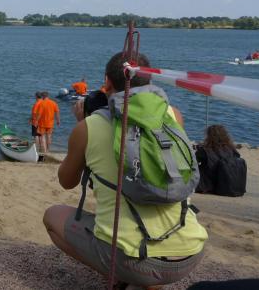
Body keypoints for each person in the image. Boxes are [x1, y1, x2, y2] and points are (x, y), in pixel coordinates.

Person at [43, 52, 207, 288]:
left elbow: (66, 181)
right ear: (150, 80)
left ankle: (126, 276)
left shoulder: (88, 127)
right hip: (190, 252)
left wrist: (82, 125)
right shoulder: (173, 115)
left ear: (107, 82)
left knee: (52, 216)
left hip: (136, 261)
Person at [195, 124, 246, 196]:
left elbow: (193, 162)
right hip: (227, 184)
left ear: (209, 136)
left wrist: (199, 149)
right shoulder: (232, 149)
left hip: (209, 185)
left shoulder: (205, 150)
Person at [30, 92, 44, 157]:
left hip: (36, 121)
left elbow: (34, 113)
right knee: (41, 136)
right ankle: (42, 149)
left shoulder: (37, 103)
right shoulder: (44, 102)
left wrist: (31, 119)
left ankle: (37, 149)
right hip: (43, 121)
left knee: (36, 135)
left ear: (36, 96)